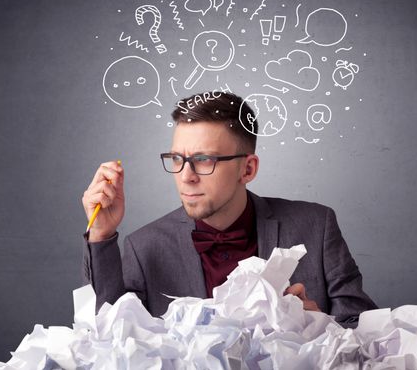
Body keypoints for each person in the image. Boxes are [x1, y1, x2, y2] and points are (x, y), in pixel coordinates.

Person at [81, 91, 376, 326]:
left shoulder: (316, 226)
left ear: (247, 169)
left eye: (204, 159)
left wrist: (316, 325)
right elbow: (108, 337)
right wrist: (101, 233)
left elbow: (367, 333)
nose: (186, 176)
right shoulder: (144, 248)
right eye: (176, 159)